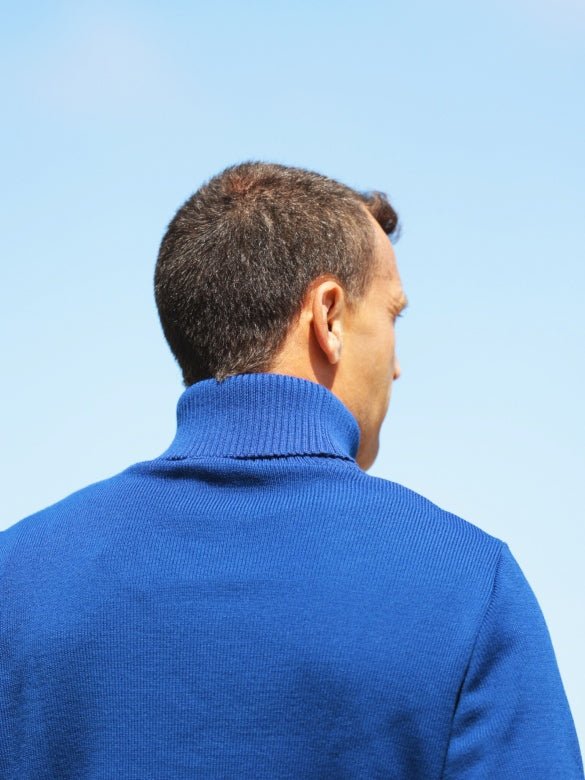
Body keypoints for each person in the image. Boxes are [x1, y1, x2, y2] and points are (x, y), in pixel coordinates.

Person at [0, 161, 582, 779]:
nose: (397, 366)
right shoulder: (468, 586)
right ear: (329, 317)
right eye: (392, 314)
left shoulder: (17, 576)